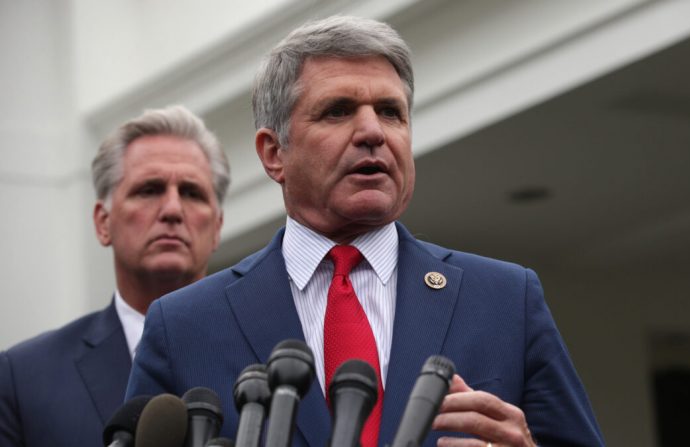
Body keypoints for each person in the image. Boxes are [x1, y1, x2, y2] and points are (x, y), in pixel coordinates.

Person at [126, 16, 604, 447]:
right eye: (338, 111)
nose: (373, 131)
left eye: (391, 112)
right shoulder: (184, 325)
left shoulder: (505, 300)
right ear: (274, 153)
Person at [0, 105, 229, 447]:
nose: (172, 210)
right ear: (103, 222)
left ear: (217, 228)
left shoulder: (267, 356)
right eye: (149, 190)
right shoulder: (23, 379)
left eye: (191, 193)